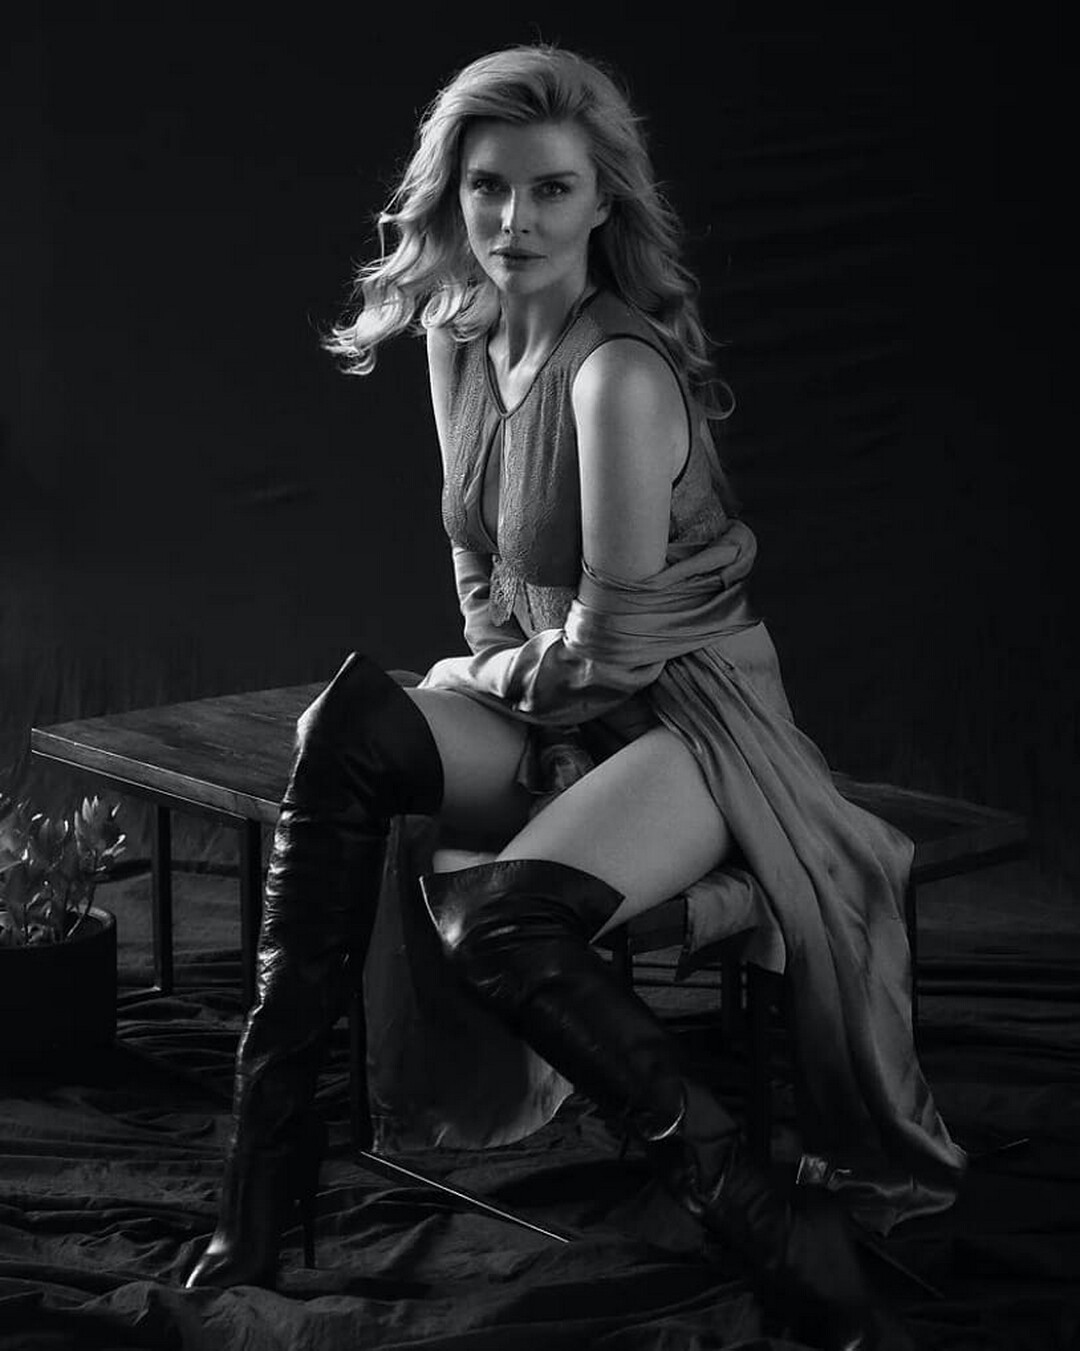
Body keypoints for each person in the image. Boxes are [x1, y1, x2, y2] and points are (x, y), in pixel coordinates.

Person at [185, 42, 964, 1345]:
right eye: (488, 187)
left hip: (692, 721)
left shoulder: (617, 375)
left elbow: (615, 650)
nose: (515, 221)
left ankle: (761, 1213)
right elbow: (481, 576)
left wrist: (482, 683)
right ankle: (263, 1177)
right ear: (453, 196)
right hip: (555, 698)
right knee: (349, 730)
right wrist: (495, 686)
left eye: (551, 189)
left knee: (500, 924)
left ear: (604, 201)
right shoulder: (460, 336)